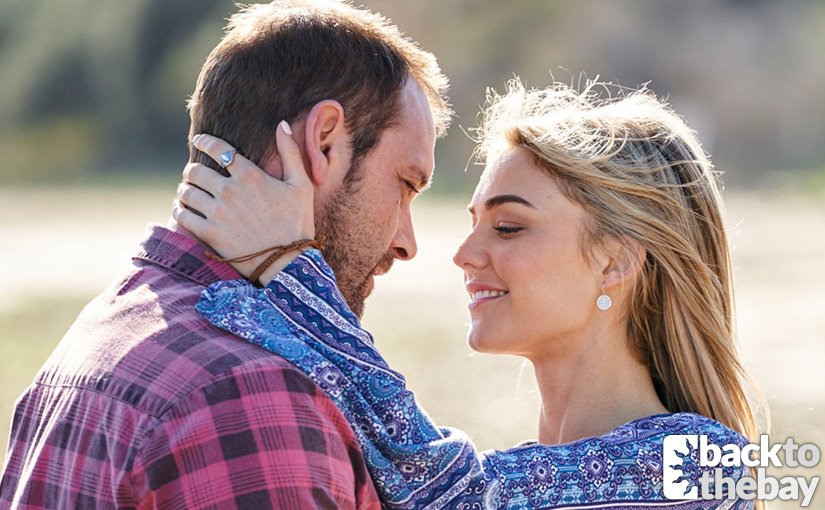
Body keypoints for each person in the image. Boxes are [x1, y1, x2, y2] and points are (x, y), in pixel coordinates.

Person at [173, 79, 765, 509]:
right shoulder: (528, 475)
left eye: (507, 227)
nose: (463, 253)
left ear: (616, 261)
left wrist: (287, 267)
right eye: (474, 222)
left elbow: (450, 495)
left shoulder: (701, 469)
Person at [0, 1, 450, 508]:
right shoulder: (255, 393)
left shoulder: (104, 329)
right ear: (324, 143)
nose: (406, 243)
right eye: (405, 185)